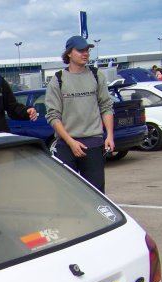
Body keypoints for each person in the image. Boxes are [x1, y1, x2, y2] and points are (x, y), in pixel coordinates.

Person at [45, 35, 114, 193]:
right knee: (68, 194)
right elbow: (53, 116)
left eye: (87, 50)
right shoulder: (58, 80)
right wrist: (70, 142)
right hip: (67, 146)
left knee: (96, 194)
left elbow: (106, 106)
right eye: (80, 50)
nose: (85, 53)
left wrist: (109, 135)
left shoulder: (97, 76)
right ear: (69, 53)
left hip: (94, 144)